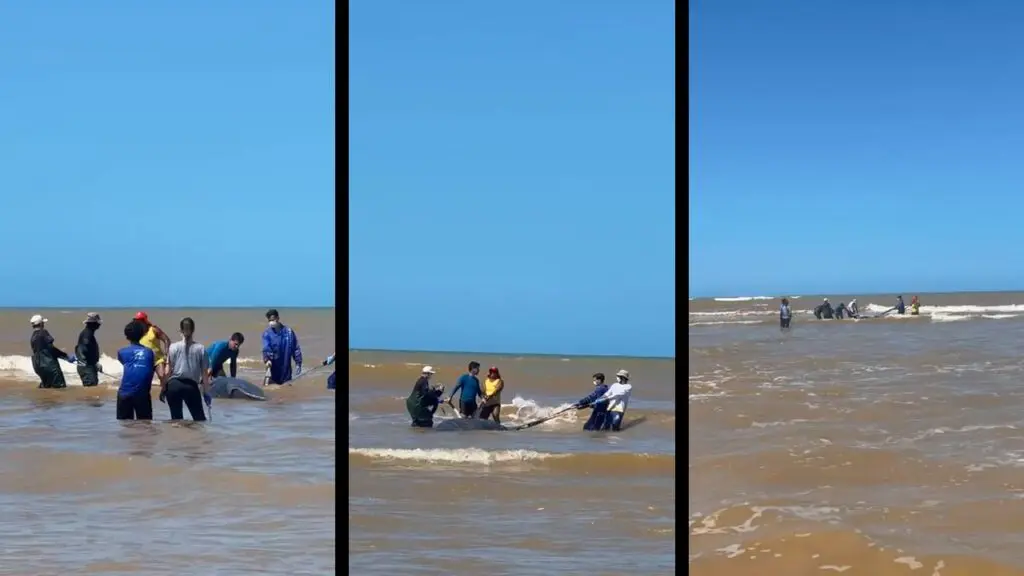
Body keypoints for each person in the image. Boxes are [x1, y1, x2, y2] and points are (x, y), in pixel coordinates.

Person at [164, 317, 211, 422]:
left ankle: (177, 438)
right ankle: (196, 439)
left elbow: (167, 372)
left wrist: (163, 388)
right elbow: (204, 374)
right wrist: (206, 393)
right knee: (199, 421)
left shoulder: (173, 347)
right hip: (191, 387)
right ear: (193, 330)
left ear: (180, 330)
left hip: (173, 386)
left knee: (176, 421)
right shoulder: (200, 348)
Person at [116, 320, 156, 420]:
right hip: (142, 395)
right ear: (143, 335)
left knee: (125, 425)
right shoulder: (149, 352)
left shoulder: (121, 352)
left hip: (124, 394)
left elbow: (126, 364)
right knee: (145, 424)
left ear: (127, 336)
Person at [29, 314, 74, 389]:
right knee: (60, 387)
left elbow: (40, 350)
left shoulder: (32, 337)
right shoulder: (43, 332)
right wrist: (66, 356)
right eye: (43, 323)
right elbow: (51, 349)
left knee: (46, 387)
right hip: (49, 365)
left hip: (37, 366)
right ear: (41, 324)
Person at [261, 309, 303, 385]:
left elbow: (296, 348)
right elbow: (266, 348)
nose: (271, 322)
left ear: (278, 318)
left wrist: (298, 363)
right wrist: (267, 359)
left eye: (273, 319)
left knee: (286, 393)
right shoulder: (267, 334)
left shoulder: (289, 332)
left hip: (286, 371)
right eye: (269, 320)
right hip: (273, 370)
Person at [135, 312, 172, 388]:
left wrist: (166, 354)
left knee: (162, 376)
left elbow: (166, 340)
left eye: (141, 320)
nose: (139, 322)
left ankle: (165, 393)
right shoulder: (137, 332)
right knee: (143, 382)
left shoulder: (153, 329)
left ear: (145, 320)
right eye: (137, 320)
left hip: (158, 360)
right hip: (145, 360)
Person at [75, 312, 104, 387]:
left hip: (87, 366)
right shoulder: (87, 334)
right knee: (90, 389)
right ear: (93, 323)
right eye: (98, 323)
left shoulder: (88, 333)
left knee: (91, 389)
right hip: (86, 367)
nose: (99, 325)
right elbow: (84, 349)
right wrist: (95, 363)